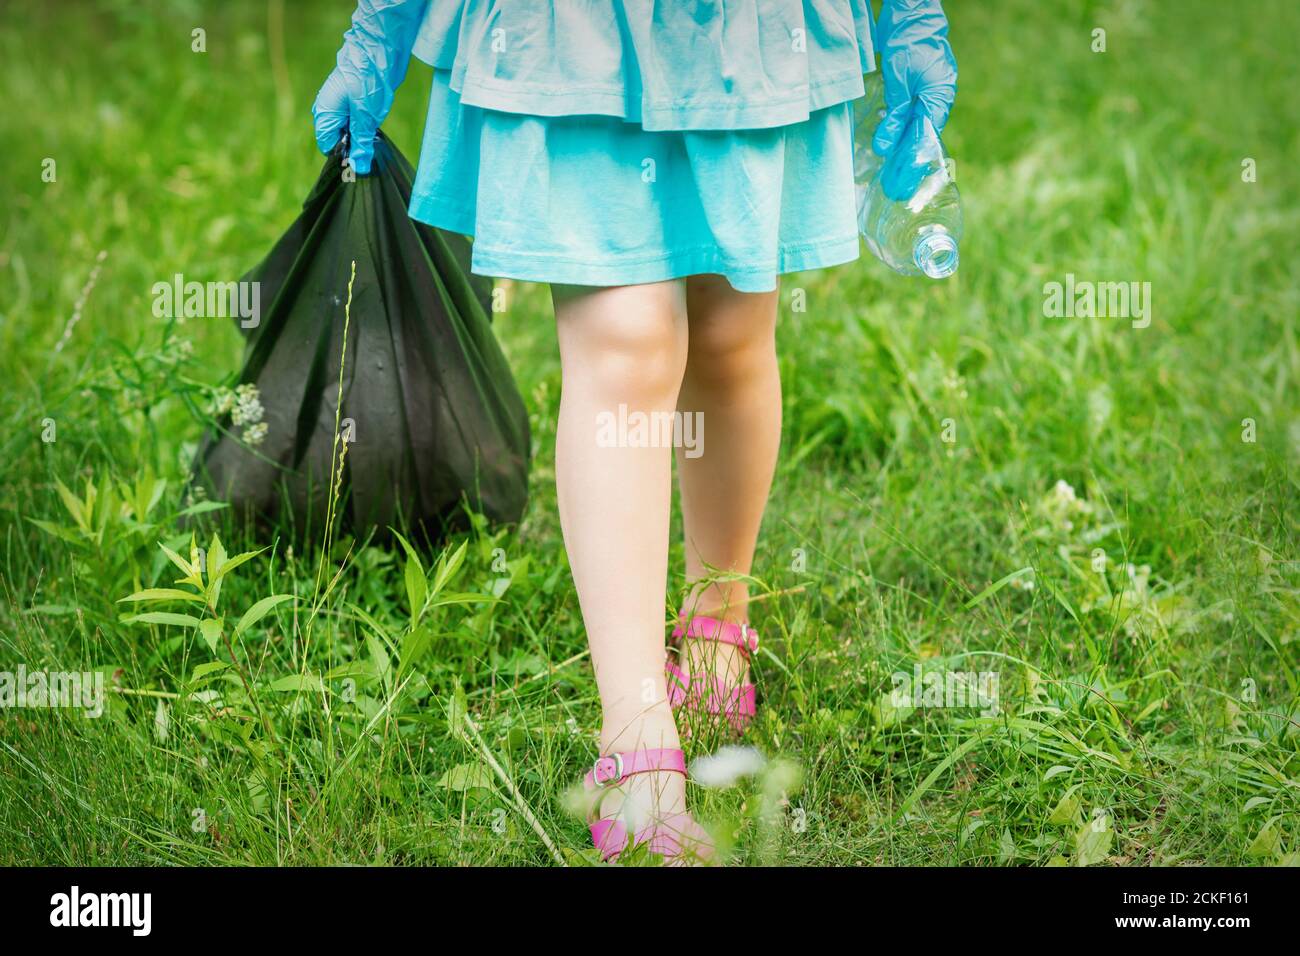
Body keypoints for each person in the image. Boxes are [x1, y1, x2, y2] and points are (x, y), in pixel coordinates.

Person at [313, 0, 956, 864]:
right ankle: (638, 734)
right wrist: (378, 30)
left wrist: (912, 17)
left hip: (745, 29)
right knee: (628, 343)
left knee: (730, 333)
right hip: (575, 34)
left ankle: (717, 628)